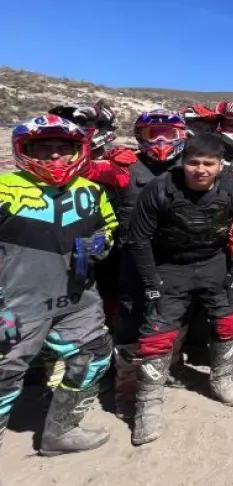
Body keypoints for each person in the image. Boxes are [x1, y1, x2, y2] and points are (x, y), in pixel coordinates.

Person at [0, 115, 118, 455]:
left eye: (63, 149)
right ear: (25, 151)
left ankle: (60, 433)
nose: (54, 157)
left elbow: (108, 227)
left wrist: (100, 243)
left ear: (77, 151)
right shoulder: (5, 188)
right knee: (5, 376)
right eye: (43, 149)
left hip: (78, 297)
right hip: (16, 304)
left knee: (95, 358)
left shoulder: (91, 191)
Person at [127, 134, 233, 446]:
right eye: (193, 162)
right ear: (183, 162)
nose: (200, 169)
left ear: (219, 165)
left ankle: (221, 377)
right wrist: (150, 283)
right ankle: (148, 405)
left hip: (213, 261)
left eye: (208, 163)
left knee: (230, 320)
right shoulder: (161, 187)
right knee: (157, 334)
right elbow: (138, 238)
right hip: (169, 265)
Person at [111, 109, 188, 418]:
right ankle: (126, 392)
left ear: (180, 136)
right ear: (139, 137)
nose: (159, 140)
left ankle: (165, 370)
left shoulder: (189, 170)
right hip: (131, 260)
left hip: (173, 260)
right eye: (151, 133)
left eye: (167, 134)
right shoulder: (126, 168)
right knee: (130, 320)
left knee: (175, 317)